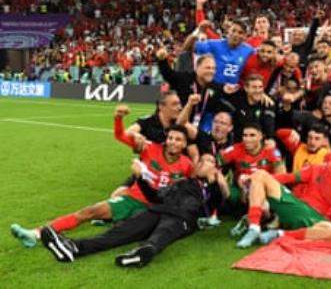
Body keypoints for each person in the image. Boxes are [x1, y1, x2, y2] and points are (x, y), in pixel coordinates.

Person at [10, 106, 193, 248]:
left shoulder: (187, 165)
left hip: (154, 212)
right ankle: (36, 234)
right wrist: (118, 118)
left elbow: (190, 192)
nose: (172, 142)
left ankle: (93, 235)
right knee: (89, 211)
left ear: (185, 144)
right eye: (170, 138)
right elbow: (120, 135)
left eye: (178, 140)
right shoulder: (150, 148)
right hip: (133, 200)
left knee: (123, 234)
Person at [40, 155, 228, 266]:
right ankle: (73, 248)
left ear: (216, 169)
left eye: (209, 161)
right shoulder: (180, 183)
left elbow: (218, 202)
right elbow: (155, 196)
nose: (204, 162)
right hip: (157, 209)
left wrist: (215, 180)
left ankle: (144, 252)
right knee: (120, 232)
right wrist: (140, 179)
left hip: (183, 217)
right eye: (202, 160)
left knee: (164, 233)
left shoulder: (211, 191)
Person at [235, 145, 331, 248]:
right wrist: (251, 177)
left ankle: (277, 235)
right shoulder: (317, 169)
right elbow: (288, 177)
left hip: (318, 220)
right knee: (260, 174)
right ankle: (253, 229)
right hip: (298, 207)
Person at [220, 122, 286, 205]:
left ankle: (269, 213)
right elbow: (216, 161)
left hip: (265, 190)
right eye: (245, 135)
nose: (247, 139)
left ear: (261, 136)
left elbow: (281, 174)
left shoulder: (271, 150)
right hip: (241, 191)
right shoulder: (235, 149)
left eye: (252, 135)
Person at [184, 19, 255, 85]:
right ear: (228, 31)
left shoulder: (248, 50)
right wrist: (198, 30)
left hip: (233, 92)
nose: (236, 35)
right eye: (233, 31)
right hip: (213, 89)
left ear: (245, 36)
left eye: (240, 32)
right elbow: (187, 47)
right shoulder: (214, 45)